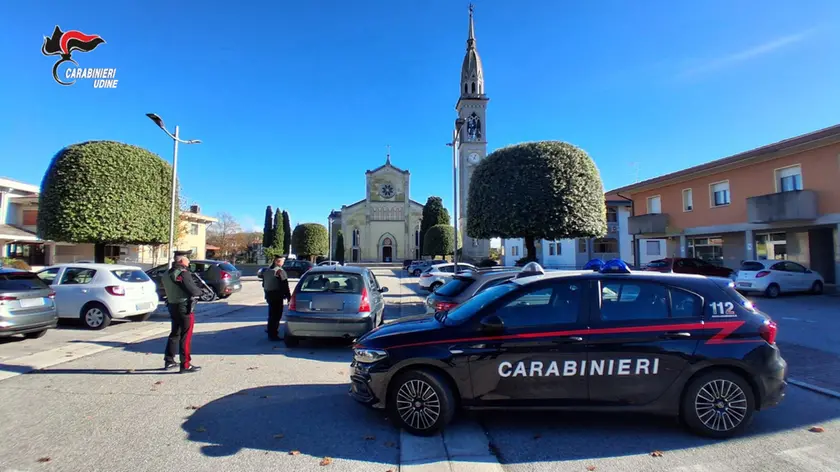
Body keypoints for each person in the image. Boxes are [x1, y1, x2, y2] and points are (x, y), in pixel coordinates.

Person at [162, 255, 203, 373]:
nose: (189, 261)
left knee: (175, 334)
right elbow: (193, 290)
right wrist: (200, 291)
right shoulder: (183, 273)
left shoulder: (166, 273)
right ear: (181, 261)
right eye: (187, 259)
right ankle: (185, 364)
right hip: (184, 307)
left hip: (172, 305)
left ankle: (169, 360)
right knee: (186, 336)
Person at [263, 254, 292, 340]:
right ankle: (273, 334)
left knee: (271, 315)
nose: (283, 263)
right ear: (278, 261)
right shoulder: (280, 271)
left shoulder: (268, 270)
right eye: (282, 261)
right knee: (276, 316)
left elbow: (263, 284)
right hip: (277, 296)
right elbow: (285, 286)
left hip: (269, 296)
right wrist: (289, 297)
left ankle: (270, 331)